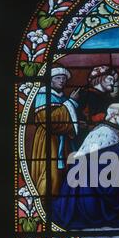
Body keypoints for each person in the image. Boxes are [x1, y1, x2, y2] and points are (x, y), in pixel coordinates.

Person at [52, 103, 119, 229]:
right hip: (86, 185)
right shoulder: (104, 132)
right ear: (113, 115)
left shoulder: (115, 129)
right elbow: (92, 161)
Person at [31, 67, 79, 195]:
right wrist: (72, 102)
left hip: (64, 144)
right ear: (50, 81)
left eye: (64, 78)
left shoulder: (62, 98)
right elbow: (49, 121)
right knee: (50, 174)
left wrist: (78, 125)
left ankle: (60, 208)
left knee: (64, 175)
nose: (62, 81)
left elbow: (66, 122)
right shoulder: (43, 95)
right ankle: (44, 206)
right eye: (58, 78)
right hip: (49, 141)